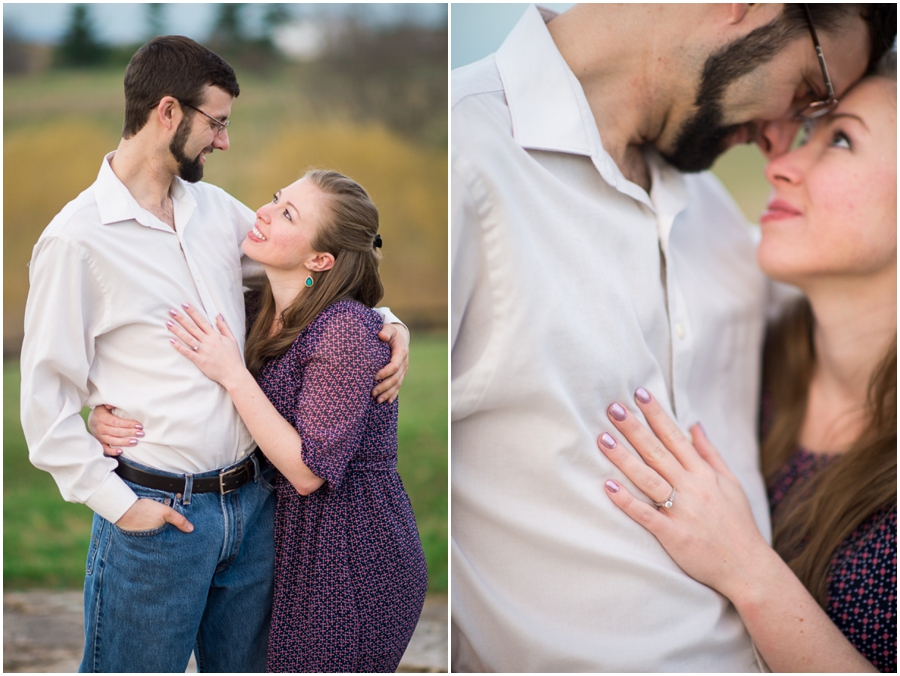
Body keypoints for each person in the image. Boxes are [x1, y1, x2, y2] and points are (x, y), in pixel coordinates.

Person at [451, 3, 894, 671]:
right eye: (808, 91)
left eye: (825, 127)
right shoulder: (467, 159)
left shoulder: (715, 218)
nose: (779, 146)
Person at [19, 36, 409, 673]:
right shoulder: (76, 241)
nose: (224, 141)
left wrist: (387, 325)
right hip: (158, 521)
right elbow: (44, 403)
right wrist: (122, 506)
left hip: (256, 512)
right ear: (168, 113)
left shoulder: (214, 213)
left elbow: (309, 271)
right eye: (217, 123)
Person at [599, 58, 896, 673]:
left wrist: (746, 567)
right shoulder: (752, 358)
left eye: (841, 140)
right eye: (809, 135)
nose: (782, 164)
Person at [161, 169, 428, 672]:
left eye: (287, 214)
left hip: (352, 553)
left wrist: (234, 375)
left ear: (320, 260)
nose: (262, 211)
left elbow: (308, 472)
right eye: (277, 198)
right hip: (285, 541)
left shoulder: (345, 331)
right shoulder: (257, 306)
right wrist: (105, 412)